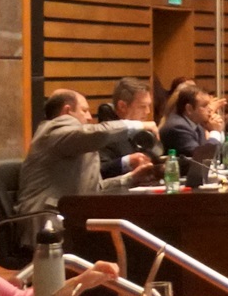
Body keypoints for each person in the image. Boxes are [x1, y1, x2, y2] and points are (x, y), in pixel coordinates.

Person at [18, 88, 157, 222]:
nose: (90, 118)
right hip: (45, 220)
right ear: (67, 112)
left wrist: (132, 177)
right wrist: (139, 125)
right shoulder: (54, 130)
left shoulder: (78, 144)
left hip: (70, 217)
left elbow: (96, 188)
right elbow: (98, 133)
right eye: (84, 111)